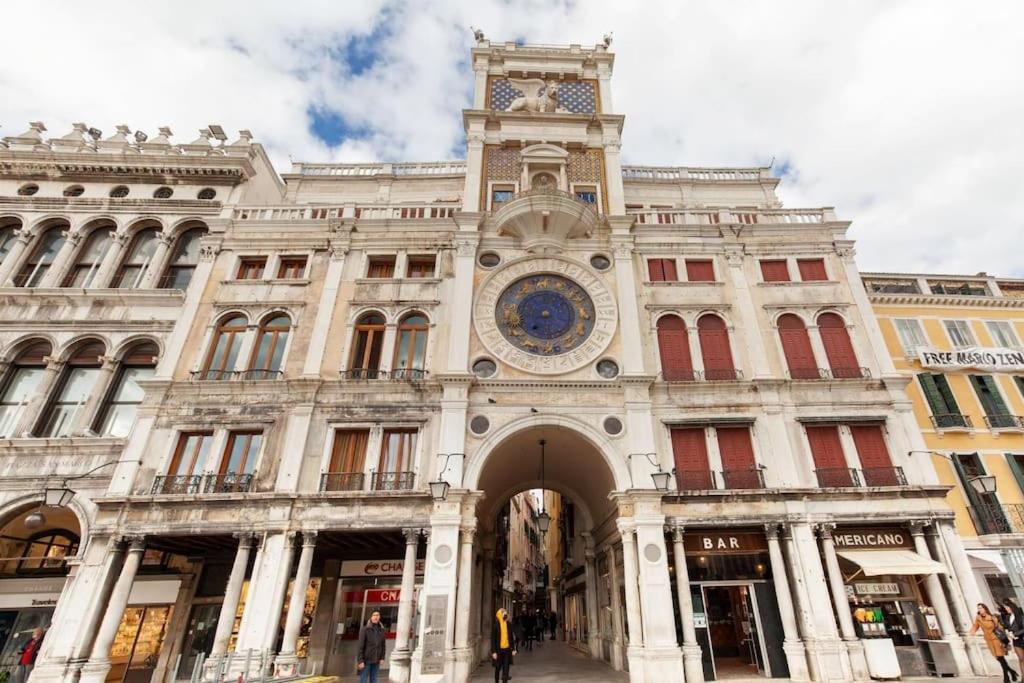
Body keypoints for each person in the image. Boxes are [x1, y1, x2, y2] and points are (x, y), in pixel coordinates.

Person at [971, 603, 1018, 682]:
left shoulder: (992, 617)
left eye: (981, 608)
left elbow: (999, 628)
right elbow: (975, 626)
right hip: (988, 640)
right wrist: (971, 632)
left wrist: (1003, 639)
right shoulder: (978, 618)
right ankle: (1012, 672)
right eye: (978, 608)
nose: (979, 610)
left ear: (985, 609)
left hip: (996, 639)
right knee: (998, 658)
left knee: (1001, 657)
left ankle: (1006, 677)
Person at [356, 610, 386, 683]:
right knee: (363, 679)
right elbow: (361, 645)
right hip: (366, 660)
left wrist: (382, 658)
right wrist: (360, 660)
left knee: (374, 679)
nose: (376, 617)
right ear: (371, 617)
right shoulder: (365, 629)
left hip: (376, 660)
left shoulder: (381, 630)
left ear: (379, 617)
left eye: (377, 615)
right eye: (374, 615)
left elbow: (383, 645)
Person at [491, 608, 517, 683]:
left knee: (506, 669)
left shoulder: (509, 624)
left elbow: (511, 638)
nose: (505, 614)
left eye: (506, 613)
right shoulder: (496, 626)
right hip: (498, 651)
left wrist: (513, 649)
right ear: (499, 615)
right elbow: (493, 639)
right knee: (497, 668)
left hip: (507, 651)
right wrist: (493, 652)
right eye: (503, 613)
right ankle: (496, 681)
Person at [1002, 598, 1024, 675]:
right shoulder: (1008, 617)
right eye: (1005, 608)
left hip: (1022, 638)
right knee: (1021, 659)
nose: (1006, 609)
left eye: (1007, 608)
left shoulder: (1020, 616)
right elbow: (1008, 627)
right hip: (1016, 641)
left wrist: (1015, 634)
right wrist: (1009, 632)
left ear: (1012, 607)